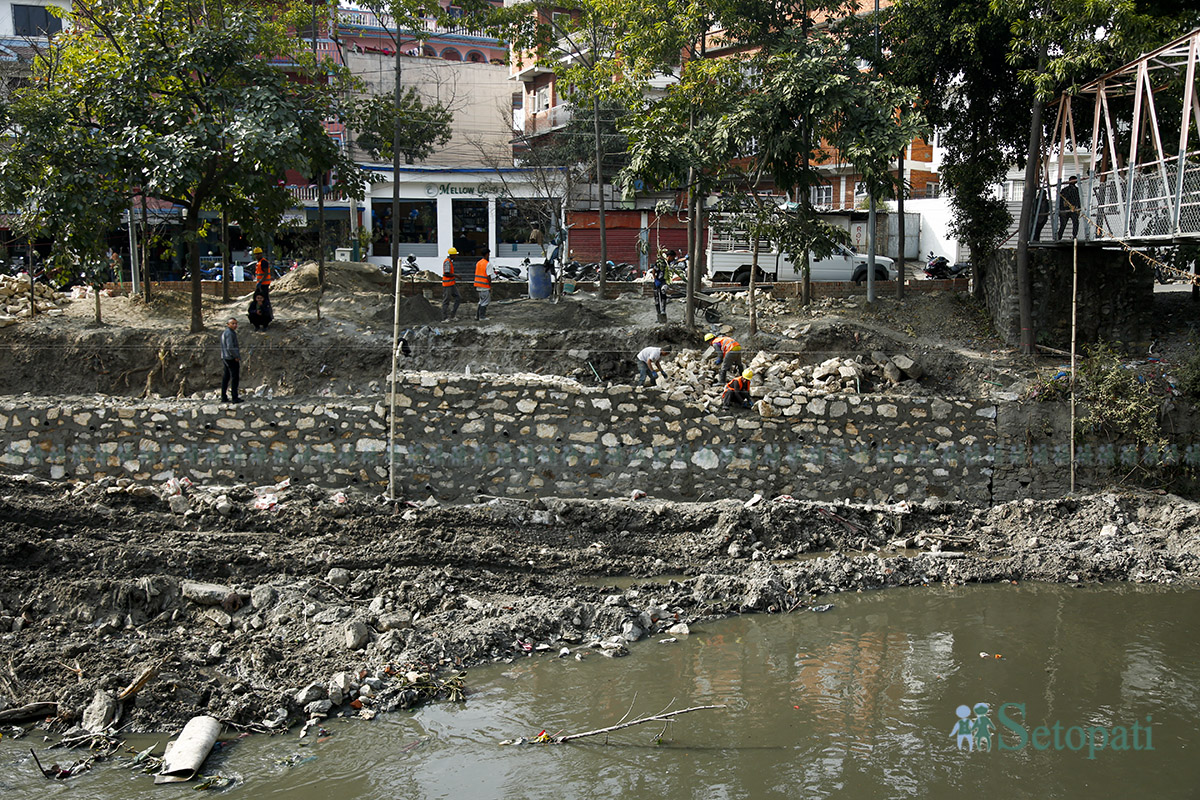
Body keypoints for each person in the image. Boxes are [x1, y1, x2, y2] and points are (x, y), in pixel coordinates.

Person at [220, 317, 241, 404]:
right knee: (234, 377)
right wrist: (236, 356)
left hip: (225, 357)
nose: (235, 325)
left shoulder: (226, 333)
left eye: (236, 323)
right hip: (230, 358)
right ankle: (234, 397)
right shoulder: (229, 333)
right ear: (228, 324)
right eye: (233, 323)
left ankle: (223, 396)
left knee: (226, 377)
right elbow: (230, 347)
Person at [1056, 176, 1081, 240]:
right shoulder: (1065, 190)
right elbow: (1061, 200)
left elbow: (1079, 200)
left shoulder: (1077, 190)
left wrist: (1079, 208)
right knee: (1063, 224)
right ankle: (1059, 237)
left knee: (1075, 222)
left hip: (1074, 209)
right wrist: (1061, 210)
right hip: (1065, 209)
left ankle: (1074, 236)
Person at [474, 248, 496, 320]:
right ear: (487, 254)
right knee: (485, 302)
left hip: (478, 285)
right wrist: (490, 286)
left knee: (481, 301)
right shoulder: (488, 264)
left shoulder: (479, 263)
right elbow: (488, 276)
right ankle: (482, 317)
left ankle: (477, 316)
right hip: (484, 285)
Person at [441, 247, 461, 321]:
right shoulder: (447, 262)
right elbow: (446, 274)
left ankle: (452, 315)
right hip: (447, 285)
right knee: (446, 301)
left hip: (451, 284)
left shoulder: (449, 261)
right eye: (455, 255)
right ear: (452, 255)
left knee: (458, 298)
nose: (456, 256)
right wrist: (456, 275)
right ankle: (444, 318)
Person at [651, 255, 668, 323]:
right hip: (657, 282)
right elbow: (653, 271)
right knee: (657, 300)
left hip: (663, 282)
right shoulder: (658, 264)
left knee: (663, 297)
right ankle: (658, 315)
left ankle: (663, 312)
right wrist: (655, 279)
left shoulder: (667, 264)